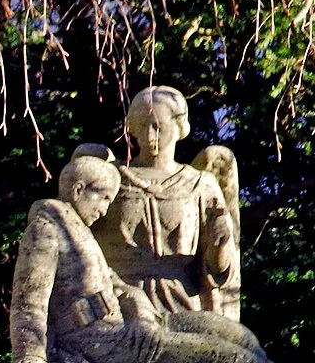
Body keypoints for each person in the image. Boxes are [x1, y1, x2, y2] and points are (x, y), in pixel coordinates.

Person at [8, 155, 315, 363]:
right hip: (105, 343)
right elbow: (29, 298)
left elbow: (119, 286)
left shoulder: (80, 233)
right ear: (78, 190)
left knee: (227, 330)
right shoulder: (46, 231)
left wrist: (143, 316)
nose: (105, 210)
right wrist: (30, 354)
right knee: (223, 355)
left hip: (134, 324)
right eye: (103, 199)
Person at [92, 87, 242, 319]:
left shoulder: (200, 184)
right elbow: (75, 243)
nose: (149, 136)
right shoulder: (111, 177)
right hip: (119, 302)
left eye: (158, 126)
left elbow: (219, 273)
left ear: (179, 126)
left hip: (183, 304)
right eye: (142, 126)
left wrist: (219, 244)